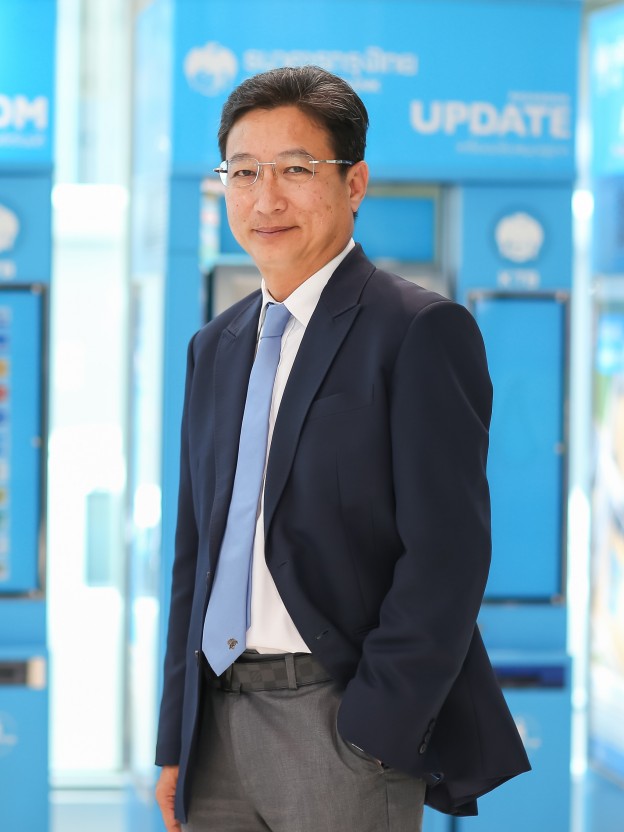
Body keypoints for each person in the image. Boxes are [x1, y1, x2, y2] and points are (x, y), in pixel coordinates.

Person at [155, 65, 530, 832]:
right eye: (244, 173)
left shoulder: (417, 330)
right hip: (214, 727)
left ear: (354, 183)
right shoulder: (214, 346)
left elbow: (448, 555)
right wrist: (174, 738)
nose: (266, 199)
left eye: (295, 170)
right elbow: (196, 556)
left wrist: (376, 727)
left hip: (338, 725)